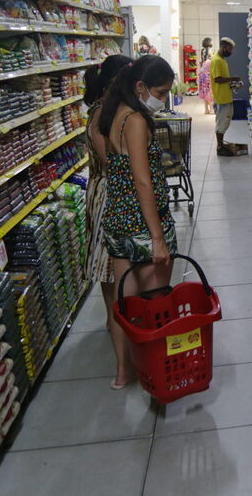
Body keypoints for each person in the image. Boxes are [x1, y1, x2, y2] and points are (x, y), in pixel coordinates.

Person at [96, 55, 178, 389]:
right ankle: (158, 373)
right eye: (159, 92)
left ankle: (123, 372)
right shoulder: (136, 121)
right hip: (143, 224)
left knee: (123, 303)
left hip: (117, 221)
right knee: (155, 303)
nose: (162, 99)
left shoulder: (111, 115)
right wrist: (157, 237)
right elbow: (142, 181)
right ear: (140, 86)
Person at [83, 54, 133, 382]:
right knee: (112, 269)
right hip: (109, 194)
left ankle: (113, 322)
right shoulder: (103, 112)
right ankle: (122, 352)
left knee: (109, 270)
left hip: (107, 190)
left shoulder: (107, 109)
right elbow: (111, 162)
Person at [210, 37, 245, 156]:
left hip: (225, 96)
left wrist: (232, 84)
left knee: (225, 122)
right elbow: (218, 79)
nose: (231, 52)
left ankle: (221, 145)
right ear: (223, 47)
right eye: (230, 49)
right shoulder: (216, 60)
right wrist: (233, 78)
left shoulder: (222, 60)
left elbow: (222, 79)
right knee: (221, 123)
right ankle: (220, 147)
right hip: (221, 98)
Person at [198, 38, 214, 115]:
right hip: (208, 73)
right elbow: (211, 61)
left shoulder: (202, 50)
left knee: (204, 91)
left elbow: (201, 62)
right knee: (209, 91)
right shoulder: (210, 50)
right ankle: (211, 109)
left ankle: (206, 110)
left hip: (202, 73)